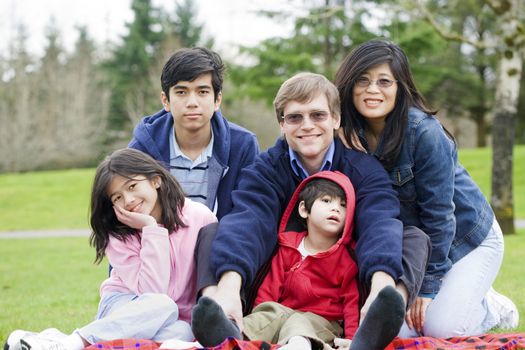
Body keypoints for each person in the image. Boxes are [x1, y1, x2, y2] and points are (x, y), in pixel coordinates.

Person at [193, 72, 430, 349]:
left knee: (412, 236)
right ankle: (220, 312)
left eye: (317, 115)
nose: (307, 126)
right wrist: (230, 287)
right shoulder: (266, 169)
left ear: (336, 120)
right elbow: (250, 220)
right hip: (279, 285)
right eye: (294, 117)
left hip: (345, 290)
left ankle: (381, 313)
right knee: (214, 231)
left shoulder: (363, 169)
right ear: (282, 124)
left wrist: (380, 285)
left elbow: (379, 221)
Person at [334, 39, 519, 338]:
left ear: (400, 86)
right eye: (363, 80)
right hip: (416, 249)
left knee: (441, 329)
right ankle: (462, 295)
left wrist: (429, 287)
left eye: (384, 81)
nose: (372, 90)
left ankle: (493, 307)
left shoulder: (424, 133)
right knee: (397, 332)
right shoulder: (346, 135)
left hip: (466, 239)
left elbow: (440, 217)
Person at [4, 148, 217, 350]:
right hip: (125, 304)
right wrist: (150, 229)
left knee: (182, 333)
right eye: (117, 197)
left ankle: (56, 340)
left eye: (132, 186)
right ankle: (74, 342)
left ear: (156, 180)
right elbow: (154, 292)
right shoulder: (118, 233)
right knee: (164, 305)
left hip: (176, 317)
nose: (129, 200)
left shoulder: (200, 217)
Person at [192, 171, 405, 350]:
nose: (335, 209)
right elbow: (271, 284)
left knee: (299, 323)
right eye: (327, 201)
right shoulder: (288, 246)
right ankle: (231, 335)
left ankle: (297, 345)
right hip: (282, 311)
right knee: (269, 315)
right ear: (304, 209)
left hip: (323, 322)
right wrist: (262, 310)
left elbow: (351, 302)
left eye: (343, 205)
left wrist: (351, 336)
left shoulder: (345, 259)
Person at [128, 47, 259, 219]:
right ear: (165, 100)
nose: (192, 102)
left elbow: (250, 215)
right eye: (181, 92)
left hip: (221, 243)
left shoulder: (243, 145)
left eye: (202, 92)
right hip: (159, 241)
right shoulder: (141, 150)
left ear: (217, 100)